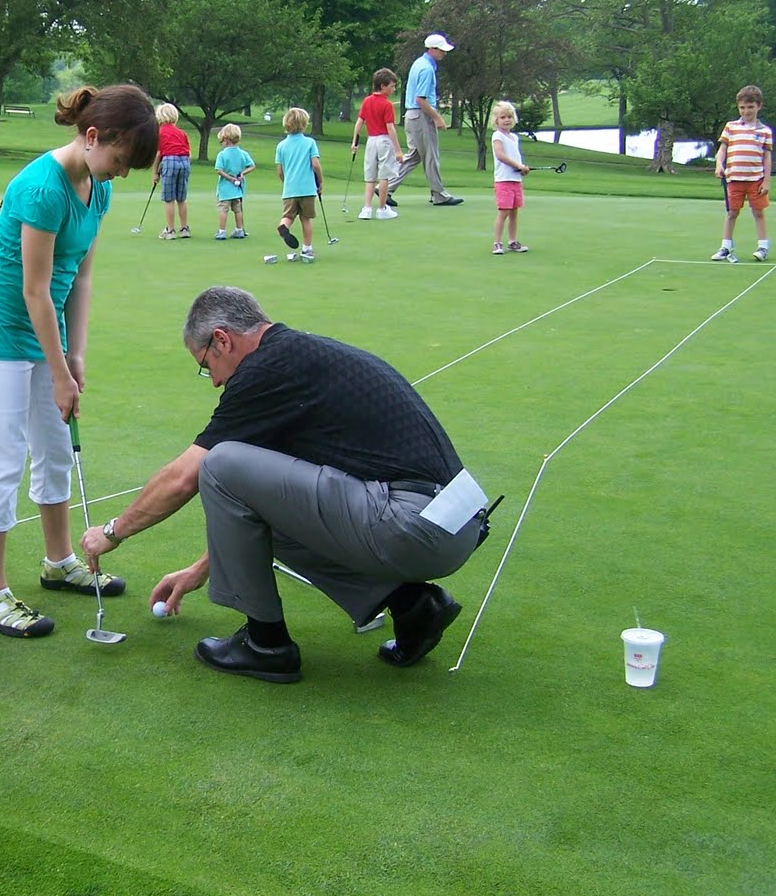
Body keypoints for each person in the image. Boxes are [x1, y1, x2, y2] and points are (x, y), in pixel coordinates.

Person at [78, 286, 491, 683]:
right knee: (252, 484)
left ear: (222, 340)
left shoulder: (265, 371)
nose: (214, 381)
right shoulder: (299, 356)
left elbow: (186, 476)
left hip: (414, 524)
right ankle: (414, 606)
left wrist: (113, 532)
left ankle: (265, 644)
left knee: (220, 462)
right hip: (454, 524)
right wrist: (203, 568)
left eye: (205, 365)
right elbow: (269, 504)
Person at [0, 84, 158, 637]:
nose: (121, 174)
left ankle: (57, 561)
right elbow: (34, 289)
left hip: (49, 329)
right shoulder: (41, 187)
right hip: (1, 330)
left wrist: (76, 356)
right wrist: (58, 370)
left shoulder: (97, 188)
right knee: (2, 456)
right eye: (120, 160)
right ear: (93, 136)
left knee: (53, 449)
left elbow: (83, 275)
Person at [386, 33, 464, 207]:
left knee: (414, 156)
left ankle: (386, 187)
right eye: (442, 50)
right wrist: (437, 118)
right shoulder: (426, 69)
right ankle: (439, 195)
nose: (444, 53)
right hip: (421, 116)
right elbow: (420, 99)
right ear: (432, 49)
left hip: (413, 116)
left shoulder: (419, 64)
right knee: (431, 156)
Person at [711, 85, 774, 263]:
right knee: (732, 212)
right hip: (734, 179)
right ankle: (725, 246)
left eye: (750, 107)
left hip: (756, 179)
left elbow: (767, 158)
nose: (746, 111)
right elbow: (722, 150)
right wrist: (719, 165)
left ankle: (762, 247)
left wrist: (767, 181)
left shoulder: (765, 131)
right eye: (743, 107)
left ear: (759, 106)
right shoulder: (731, 127)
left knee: (758, 212)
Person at [350, 68, 405, 220]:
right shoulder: (387, 105)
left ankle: (367, 208)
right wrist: (398, 150)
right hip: (384, 141)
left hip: (371, 141)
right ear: (382, 86)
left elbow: (360, 122)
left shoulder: (367, 101)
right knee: (384, 176)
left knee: (370, 176)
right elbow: (390, 128)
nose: (393, 89)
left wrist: (354, 141)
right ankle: (381, 209)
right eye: (392, 86)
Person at [274, 107, 322, 261]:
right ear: (304, 124)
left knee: (288, 216)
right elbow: (315, 165)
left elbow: (280, 171)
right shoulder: (309, 143)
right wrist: (320, 181)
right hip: (307, 189)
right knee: (305, 218)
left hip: (290, 189)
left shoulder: (281, 146)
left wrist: (286, 182)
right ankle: (307, 248)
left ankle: (284, 227)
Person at [490, 101, 530, 254]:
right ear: (496, 120)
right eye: (503, 117)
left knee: (514, 212)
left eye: (509, 117)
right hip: (503, 180)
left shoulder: (514, 137)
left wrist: (522, 168)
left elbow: (516, 157)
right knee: (504, 212)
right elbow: (500, 155)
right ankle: (497, 243)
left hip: (515, 180)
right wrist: (518, 166)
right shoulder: (497, 136)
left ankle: (512, 241)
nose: (506, 120)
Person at [153, 102, 193, 239]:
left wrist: (155, 173)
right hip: (185, 162)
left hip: (169, 161)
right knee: (181, 198)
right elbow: (189, 153)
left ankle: (170, 231)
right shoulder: (182, 133)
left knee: (169, 199)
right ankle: (184, 229)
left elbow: (159, 155)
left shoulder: (160, 132)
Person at [213, 123, 254, 240]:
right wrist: (242, 173)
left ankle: (222, 231)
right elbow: (251, 166)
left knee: (223, 209)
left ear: (225, 140)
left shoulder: (222, 154)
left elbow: (219, 170)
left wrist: (229, 178)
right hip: (238, 188)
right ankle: (239, 229)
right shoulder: (243, 153)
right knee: (238, 209)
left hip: (225, 189)